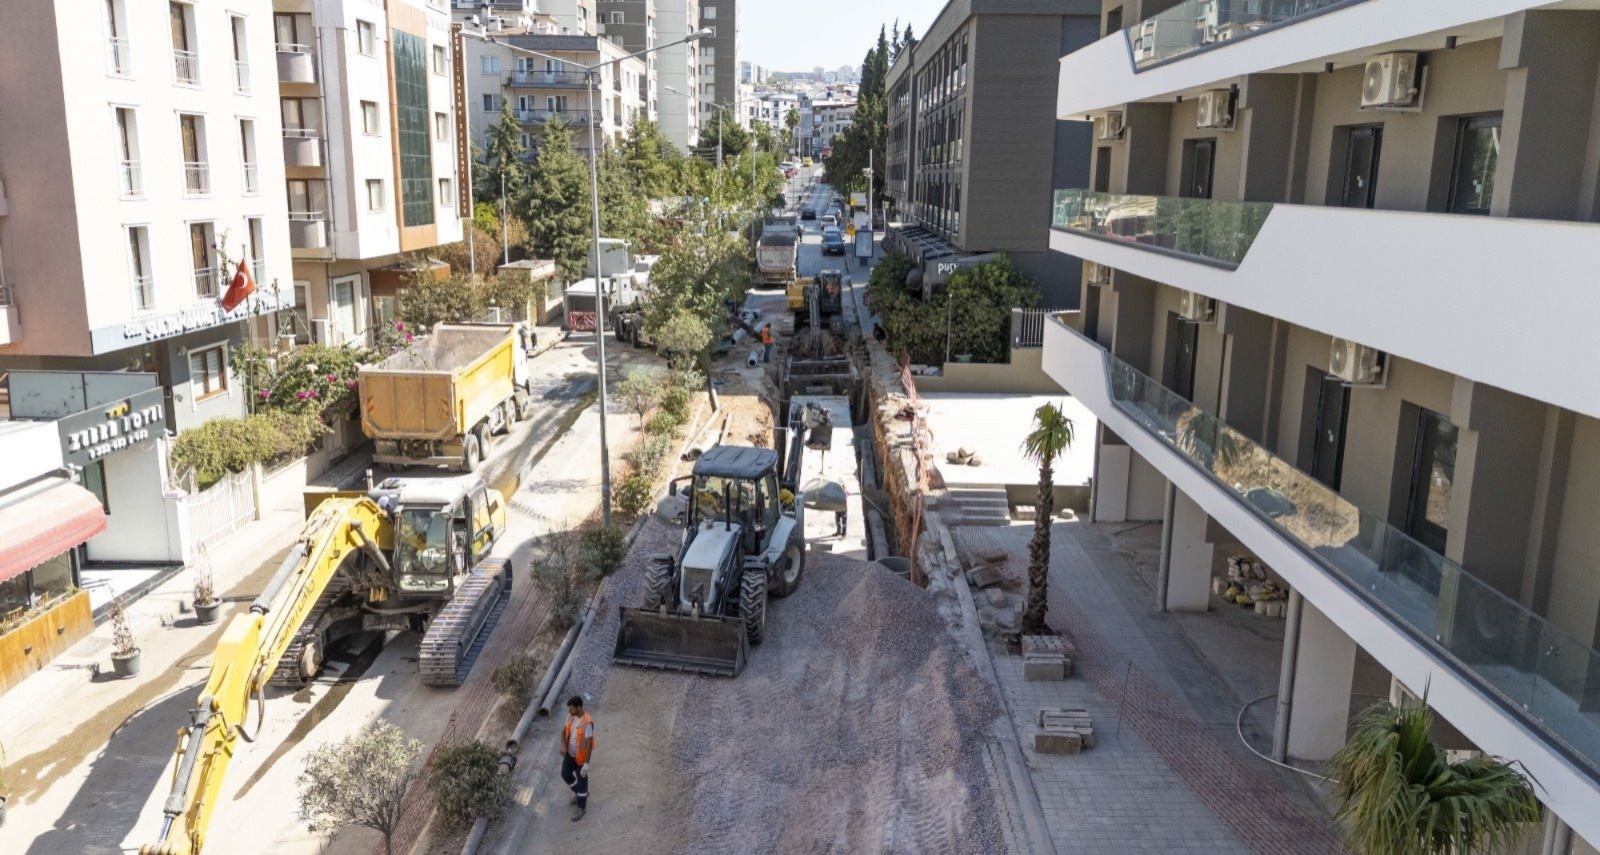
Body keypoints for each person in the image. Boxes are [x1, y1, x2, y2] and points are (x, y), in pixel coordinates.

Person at [560, 695, 594, 821]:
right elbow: (563, 733)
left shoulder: (587, 723)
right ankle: (579, 792)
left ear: (579, 708)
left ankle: (581, 807)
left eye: (572, 709)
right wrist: (563, 746)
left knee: (582, 780)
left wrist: (586, 764)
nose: (570, 712)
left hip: (581, 758)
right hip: (570, 754)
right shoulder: (570, 716)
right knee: (565, 774)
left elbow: (589, 745)